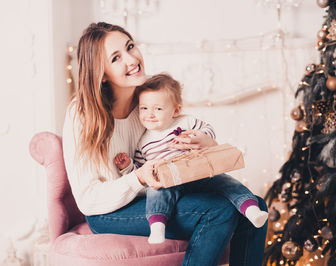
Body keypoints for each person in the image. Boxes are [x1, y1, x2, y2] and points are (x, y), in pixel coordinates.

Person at [62, 22, 268, 265]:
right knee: (218, 210)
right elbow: (88, 199)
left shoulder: (147, 95)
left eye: (130, 47)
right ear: (102, 73)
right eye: (116, 58)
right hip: (108, 211)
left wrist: (203, 142)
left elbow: (180, 133)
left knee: (256, 204)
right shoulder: (83, 114)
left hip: (156, 192)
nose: (132, 59)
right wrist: (137, 177)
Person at [114, 73, 268, 244]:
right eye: (144, 108)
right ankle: (157, 226)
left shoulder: (185, 122)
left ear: (176, 110)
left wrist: (202, 138)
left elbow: (208, 130)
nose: (150, 114)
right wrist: (128, 167)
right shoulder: (143, 142)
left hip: (197, 173)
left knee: (226, 182)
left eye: (158, 109)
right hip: (169, 182)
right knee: (155, 191)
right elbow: (143, 173)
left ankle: (251, 209)